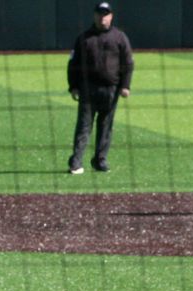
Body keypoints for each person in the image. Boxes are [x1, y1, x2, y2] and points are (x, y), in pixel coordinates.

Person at [66, 2, 133, 174]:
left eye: (105, 14)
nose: (102, 17)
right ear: (94, 15)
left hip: (111, 90)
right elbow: (73, 64)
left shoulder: (119, 37)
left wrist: (125, 86)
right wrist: (73, 86)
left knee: (105, 126)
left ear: (111, 16)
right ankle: (76, 161)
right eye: (99, 14)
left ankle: (100, 160)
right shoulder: (83, 38)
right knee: (84, 126)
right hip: (88, 90)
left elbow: (127, 63)